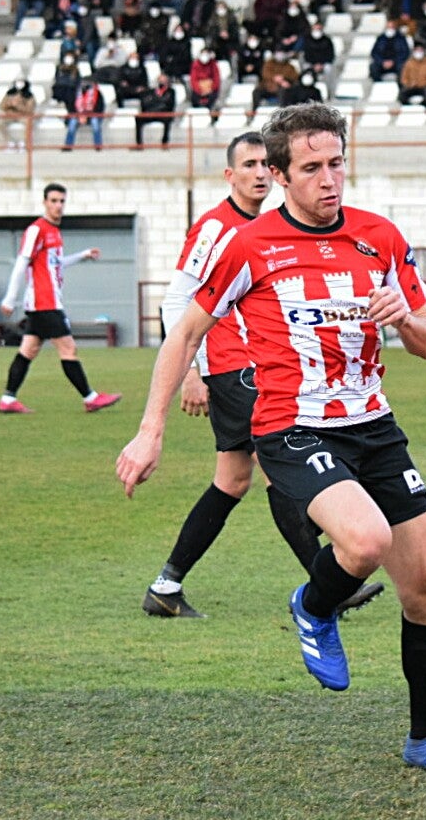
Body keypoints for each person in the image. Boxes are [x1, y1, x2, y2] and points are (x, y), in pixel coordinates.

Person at [117, 101, 426, 777]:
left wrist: (406, 319)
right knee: (363, 541)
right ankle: (312, 604)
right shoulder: (250, 245)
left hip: (373, 426)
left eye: (336, 163)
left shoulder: (380, 237)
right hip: (291, 425)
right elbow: (185, 331)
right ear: (280, 175)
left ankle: (424, 736)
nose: (329, 178)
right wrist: (149, 428)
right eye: (311, 167)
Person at [142, 132, 385, 620]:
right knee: (284, 468)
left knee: (232, 481)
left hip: (250, 365)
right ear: (230, 175)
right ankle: (328, 584)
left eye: (262, 163)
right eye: (247, 164)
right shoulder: (217, 228)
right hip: (233, 368)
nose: (257, 173)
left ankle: (166, 585)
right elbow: (176, 304)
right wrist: (193, 371)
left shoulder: (265, 229)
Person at [0, 183, 120, 415]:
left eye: (62, 201)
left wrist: (83, 255)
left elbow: (56, 264)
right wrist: (9, 299)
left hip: (46, 302)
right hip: (45, 302)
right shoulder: (37, 229)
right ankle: (90, 397)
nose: (58, 205)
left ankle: (8, 398)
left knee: (29, 349)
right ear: (44, 202)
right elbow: (22, 262)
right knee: (68, 348)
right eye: (53, 201)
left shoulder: (54, 232)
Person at [136, 74, 176, 148]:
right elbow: (146, 103)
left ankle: (164, 142)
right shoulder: (151, 91)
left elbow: (168, 105)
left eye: (163, 80)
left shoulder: (171, 92)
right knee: (138, 118)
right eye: (160, 80)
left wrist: (156, 105)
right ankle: (139, 143)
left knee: (167, 120)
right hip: (151, 113)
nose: (161, 82)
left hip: (163, 114)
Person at [63, 79, 104, 151]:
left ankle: (98, 145)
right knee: (72, 123)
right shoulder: (74, 93)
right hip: (78, 115)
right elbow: (70, 106)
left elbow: (100, 107)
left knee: (95, 123)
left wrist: (88, 115)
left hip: (92, 114)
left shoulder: (97, 93)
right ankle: (68, 145)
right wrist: (79, 115)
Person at [0, 78, 36, 151]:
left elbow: (30, 109)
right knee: (0, 125)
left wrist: (18, 105)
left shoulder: (29, 95)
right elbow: (1, 106)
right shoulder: (9, 93)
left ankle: (24, 143)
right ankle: (10, 142)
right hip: (10, 115)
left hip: (22, 115)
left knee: (29, 124)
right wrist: (9, 104)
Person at [190, 47, 222, 124]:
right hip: (199, 89)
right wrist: (200, 90)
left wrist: (211, 89)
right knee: (194, 98)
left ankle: (212, 119)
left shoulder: (213, 64)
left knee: (213, 99)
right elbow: (193, 80)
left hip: (211, 89)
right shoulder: (195, 64)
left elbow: (216, 79)